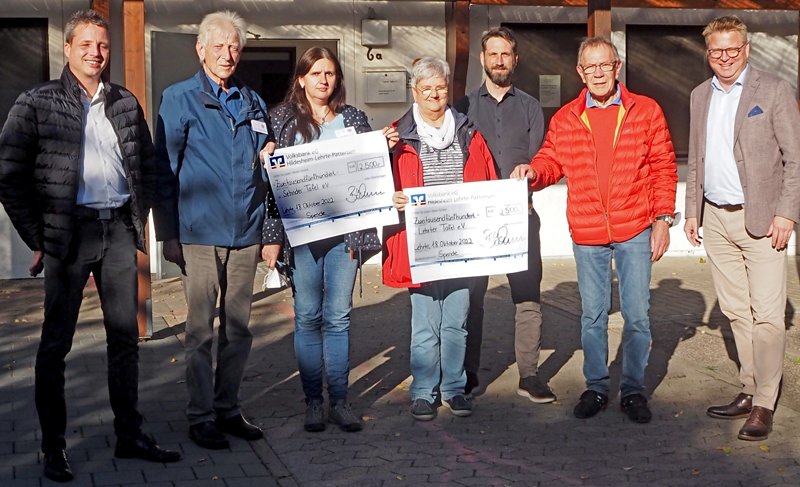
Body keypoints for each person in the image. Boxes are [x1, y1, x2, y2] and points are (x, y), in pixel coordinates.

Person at [0, 9, 181, 482]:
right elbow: (9, 174)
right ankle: (53, 447)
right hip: (69, 236)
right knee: (55, 345)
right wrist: (37, 236)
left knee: (125, 340)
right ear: (67, 47)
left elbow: (148, 167)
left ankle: (129, 434)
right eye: (86, 45)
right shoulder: (35, 102)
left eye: (102, 45)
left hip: (118, 230)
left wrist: (142, 222)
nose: (96, 54)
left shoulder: (124, 102)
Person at [511, 37, 677, 424]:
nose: (599, 73)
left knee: (637, 316)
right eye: (591, 67)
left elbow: (664, 167)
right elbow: (551, 159)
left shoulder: (646, 111)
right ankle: (597, 387)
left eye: (606, 66)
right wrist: (534, 171)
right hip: (587, 232)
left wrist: (663, 219)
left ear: (617, 68)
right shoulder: (567, 117)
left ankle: (633, 390)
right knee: (592, 317)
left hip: (635, 226)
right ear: (580, 72)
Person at [153, 10, 274, 450]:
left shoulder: (253, 101)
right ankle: (200, 415)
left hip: (245, 232)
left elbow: (266, 160)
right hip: (199, 232)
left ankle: (227, 408)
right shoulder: (179, 98)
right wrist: (167, 231)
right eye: (219, 46)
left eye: (234, 47)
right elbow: (163, 170)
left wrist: (272, 149)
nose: (227, 54)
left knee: (239, 329)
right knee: (201, 330)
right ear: (200, 49)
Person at [263, 47, 399, 433]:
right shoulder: (281, 120)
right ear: (301, 79)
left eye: (331, 73)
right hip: (302, 237)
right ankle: (312, 402)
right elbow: (272, 188)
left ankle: (340, 401)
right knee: (307, 317)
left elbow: (371, 174)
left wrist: (382, 151)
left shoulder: (354, 119)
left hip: (345, 236)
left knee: (338, 318)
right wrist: (270, 237)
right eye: (317, 73)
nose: (325, 79)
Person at [684, 16, 800, 441]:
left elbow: (795, 157)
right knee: (735, 311)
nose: (726, 58)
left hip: (764, 219)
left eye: (733, 49)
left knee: (768, 315)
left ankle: (766, 403)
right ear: (708, 53)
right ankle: (749, 388)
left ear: (746, 49)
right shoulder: (699, 95)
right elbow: (696, 158)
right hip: (715, 219)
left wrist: (787, 213)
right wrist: (692, 211)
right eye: (717, 51)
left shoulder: (773, 90)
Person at [385, 56, 497, 421]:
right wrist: (392, 197)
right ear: (414, 92)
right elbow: (374, 186)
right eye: (426, 87)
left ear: (449, 90)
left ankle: (453, 389)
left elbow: (488, 182)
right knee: (425, 321)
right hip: (420, 242)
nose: (434, 94)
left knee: (456, 321)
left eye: (441, 87)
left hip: (463, 241)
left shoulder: (469, 131)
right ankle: (422, 391)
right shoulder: (395, 137)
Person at [454, 26, 553, 403]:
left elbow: (540, 158)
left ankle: (529, 374)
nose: (499, 60)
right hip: (475, 220)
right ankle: (468, 375)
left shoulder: (529, 106)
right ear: (482, 59)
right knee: (472, 297)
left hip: (519, 215)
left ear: (515, 59)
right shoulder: (461, 108)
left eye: (505, 54)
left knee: (527, 296)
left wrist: (532, 172)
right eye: (492, 54)